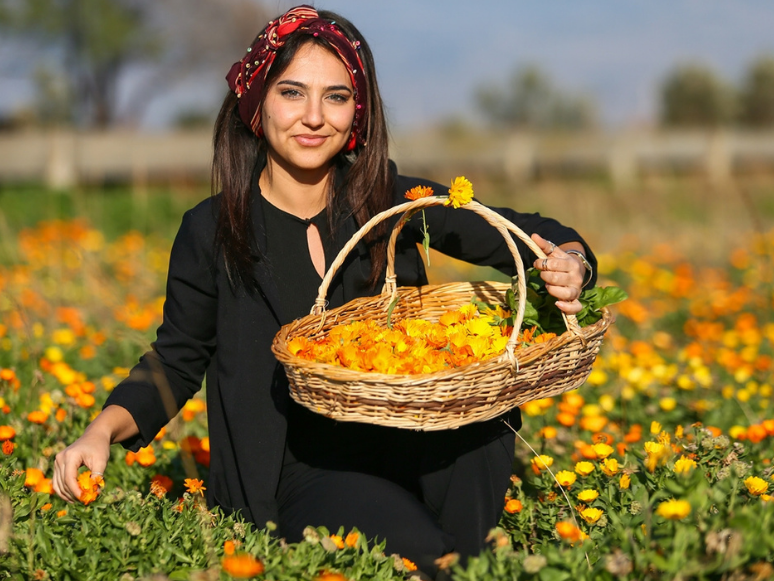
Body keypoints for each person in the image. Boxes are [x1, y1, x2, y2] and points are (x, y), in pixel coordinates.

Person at [53, 5, 595, 578]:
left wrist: (571, 264)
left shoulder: (391, 197)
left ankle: (464, 562)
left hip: (411, 437)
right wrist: (99, 433)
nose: (314, 117)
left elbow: (527, 233)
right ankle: (449, 562)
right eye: (292, 92)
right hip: (298, 469)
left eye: (336, 97)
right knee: (426, 552)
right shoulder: (213, 229)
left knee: (486, 425)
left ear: (357, 113)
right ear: (257, 102)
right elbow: (177, 359)